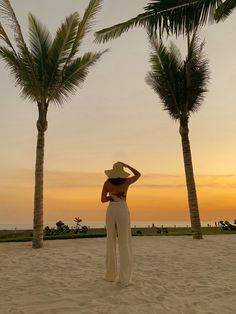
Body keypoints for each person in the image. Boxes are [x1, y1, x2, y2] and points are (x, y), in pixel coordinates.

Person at [101, 161, 141, 286]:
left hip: (111, 210)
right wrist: (128, 165)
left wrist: (111, 196)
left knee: (110, 241)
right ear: (122, 171)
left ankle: (110, 275)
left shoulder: (107, 183)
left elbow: (102, 200)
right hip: (122, 209)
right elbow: (138, 174)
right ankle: (124, 278)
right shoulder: (126, 182)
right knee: (124, 241)